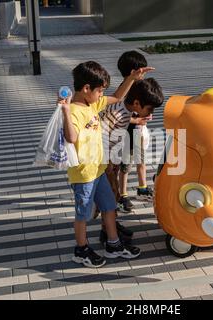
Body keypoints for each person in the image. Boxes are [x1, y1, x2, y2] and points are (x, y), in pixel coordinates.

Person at [60, 61, 153, 268]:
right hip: (84, 175)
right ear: (86, 89)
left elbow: (118, 97)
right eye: (100, 90)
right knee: (83, 214)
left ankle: (113, 245)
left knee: (109, 206)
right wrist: (65, 111)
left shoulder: (92, 103)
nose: (102, 95)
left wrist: (131, 78)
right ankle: (81, 249)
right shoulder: (74, 110)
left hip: (99, 170)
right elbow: (70, 136)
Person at [99, 77, 164, 245]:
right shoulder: (119, 116)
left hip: (108, 160)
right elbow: (103, 137)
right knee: (110, 198)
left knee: (113, 197)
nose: (151, 114)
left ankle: (111, 225)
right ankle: (108, 233)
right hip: (102, 162)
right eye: (149, 109)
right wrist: (109, 166)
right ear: (136, 103)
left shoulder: (123, 108)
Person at [117, 51, 156, 213]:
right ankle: (122, 195)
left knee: (142, 162)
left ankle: (142, 188)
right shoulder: (124, 90)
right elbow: (120, 114)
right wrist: (136, 120)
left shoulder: (140, 86)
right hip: (129, 136)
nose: (143, 74)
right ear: (133, 71)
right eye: (141, 71)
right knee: (125, 166)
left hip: (141, 133)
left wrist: (146, 114)